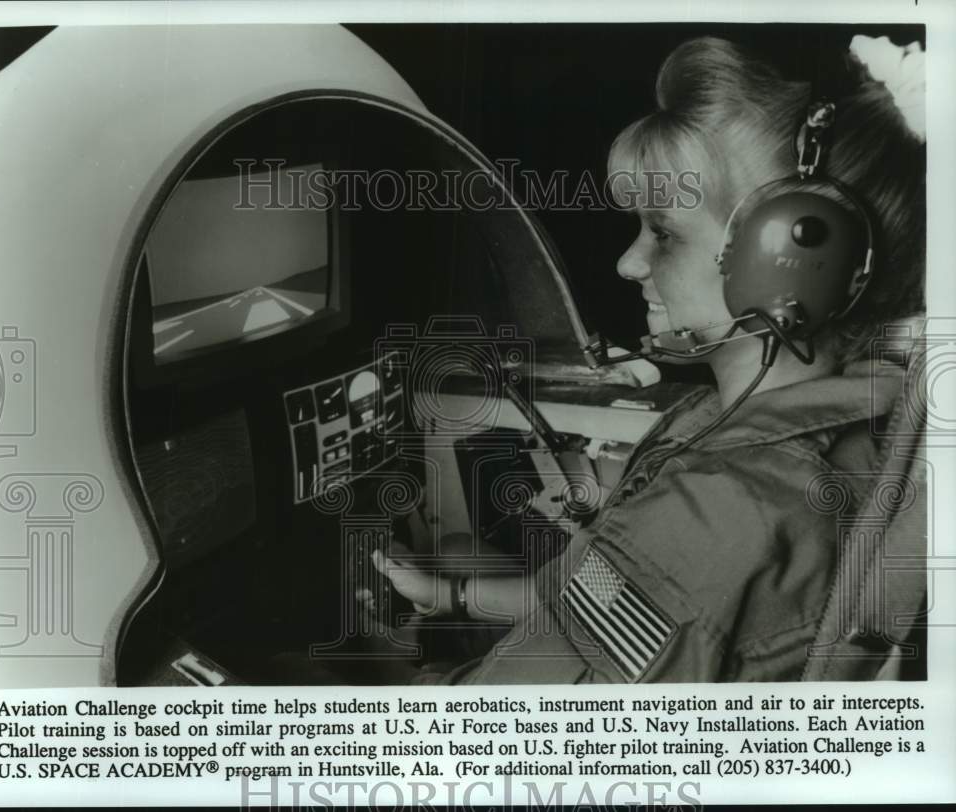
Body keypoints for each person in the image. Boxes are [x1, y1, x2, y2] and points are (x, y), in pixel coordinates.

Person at [356, 34, 927, 684]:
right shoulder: (837, 422)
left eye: (663, 233)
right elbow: (642, 607)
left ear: (784, 267)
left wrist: (376, 672)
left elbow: (493, 739)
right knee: (458, 555)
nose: (629, 264)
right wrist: (459, 596)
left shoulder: (719, 508)